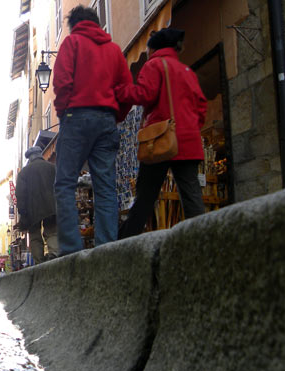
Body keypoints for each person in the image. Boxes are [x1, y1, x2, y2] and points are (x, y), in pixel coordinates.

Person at [52, 6, 132, 256]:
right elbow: (126, 91)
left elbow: (62, 83)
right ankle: (106, 248)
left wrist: (63, 112)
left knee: (65, 184)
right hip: (106, 120)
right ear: (97, 24)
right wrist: (116, 115)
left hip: (76, 116)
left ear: (74, 25)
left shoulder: (71, 43)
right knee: (105, 187)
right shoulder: (114, 50)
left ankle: (72, 250)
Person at [116, 28, 207, 239]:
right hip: (187, 141)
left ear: (153, 48)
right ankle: (203, 237)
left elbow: (145, 94)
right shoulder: (187, 71)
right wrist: (190, 127)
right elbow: (201, 106)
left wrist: (121, 90)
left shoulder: (155, 65)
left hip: (160, 140)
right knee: (191, 196)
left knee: (146, 196)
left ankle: (126, 242)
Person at [15, 146, 58, 264]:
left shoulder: (23, 173)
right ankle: (54, 254)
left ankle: (39, 261)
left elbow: (20, 195)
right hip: (51, 206)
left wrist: (23, 213)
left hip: (32, 210)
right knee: (52, 231)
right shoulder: (52, 168)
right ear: (40, 154)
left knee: (34, 236)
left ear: (29, 158)